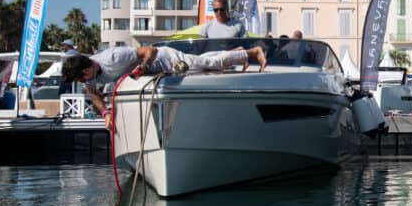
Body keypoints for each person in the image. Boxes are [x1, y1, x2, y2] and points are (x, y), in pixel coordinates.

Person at [61, 43, 267, 127]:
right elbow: (93, 94)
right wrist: (106, 114)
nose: (83, 82)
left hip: (166, 60)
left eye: (81, 78)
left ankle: (252, 52)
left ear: (86, 69)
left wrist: (144, 65)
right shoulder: (90, 79)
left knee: (207, 64)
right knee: (203, 63)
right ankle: (236, 52)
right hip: (157, 73)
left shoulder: (113, 57)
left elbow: (150, 49)